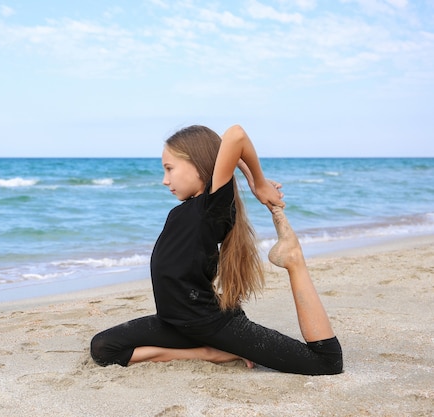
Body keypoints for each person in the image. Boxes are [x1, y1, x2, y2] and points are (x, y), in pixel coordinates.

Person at [90, 124, 343, 375]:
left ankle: (293, 258)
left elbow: (236, 135)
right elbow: (222, 148)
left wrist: (258, 182)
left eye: (170, 169)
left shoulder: (211, 209)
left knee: (324, 362)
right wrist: (204, 354)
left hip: (211, 324)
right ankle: (207, 352)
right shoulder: (192, 208)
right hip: (175, 322)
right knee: (103, 348)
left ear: (199, 165)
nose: (165, 180)